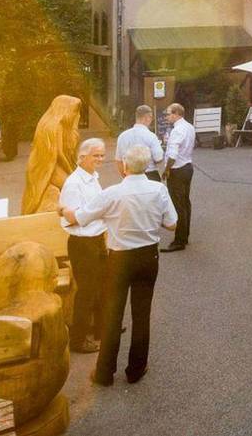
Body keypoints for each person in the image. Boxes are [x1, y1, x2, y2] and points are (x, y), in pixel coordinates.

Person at [60, 144, 176, 387]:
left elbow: (79, 218)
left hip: (121, 258)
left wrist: (61, 208)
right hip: (148, 256)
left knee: (113, 314)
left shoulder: (112, 194)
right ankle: (136, 369)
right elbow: (172, 224)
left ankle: (104, 372)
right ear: (146, 165)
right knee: (142, 314)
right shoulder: (159, 190)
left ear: (124, 166)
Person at [59, 138, 108, 353]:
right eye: (96, 155)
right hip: (82, 244)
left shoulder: (93, 178)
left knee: (103, 287)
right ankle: (78, 340)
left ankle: (101, 329)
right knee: (87, 292)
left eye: (102, 155)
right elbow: (69, 218)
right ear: (82, 157)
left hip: (97, 240)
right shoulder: (73, 183)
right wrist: (95, 214)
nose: (100, 159)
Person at [161, 103, 194, 252]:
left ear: (176, 114)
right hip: (187, 166)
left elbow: (173, 155)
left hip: (177, 170)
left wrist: (166, 170)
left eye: (168, 114)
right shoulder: (189, 127)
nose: (166, 117)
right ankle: (184, 235)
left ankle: (179, 241)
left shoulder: (177, 130)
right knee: (185, 203)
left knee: (178, 205)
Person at [116, 105, 164, 181]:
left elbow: (118, 160)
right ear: (146, 117)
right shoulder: (151, 136)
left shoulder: (123, 136)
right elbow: (158, 158)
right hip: (150, 175)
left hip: (129, 174)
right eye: (151, 117)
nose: (151, 120)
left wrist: (125, 176)